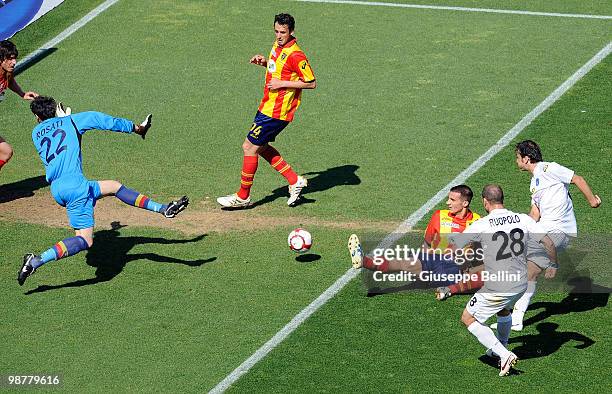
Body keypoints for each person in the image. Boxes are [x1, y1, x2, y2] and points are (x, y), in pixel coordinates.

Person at [17, 96, 189, 285]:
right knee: (84, 241)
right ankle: (36, 261)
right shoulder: (73, 121)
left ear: (36, 116)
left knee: (114, 186)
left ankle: (163, 209)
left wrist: (65, 122)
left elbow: (66, 143)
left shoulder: (36, 133)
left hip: (58, 188)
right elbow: (107, 122)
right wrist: (138, 129)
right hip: (76, 188)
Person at [489, 140, 602, 331]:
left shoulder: (549, 168)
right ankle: (511, 311)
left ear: (526, 158)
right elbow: (535, 214)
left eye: (518, 157)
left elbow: (578, 179)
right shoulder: (534, 183)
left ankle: (514, 317)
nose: (516, 161)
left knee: (530, 270)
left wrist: (592, 201)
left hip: (558, 230)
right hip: (544, 228)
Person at [451, 185, 557, 376]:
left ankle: (504, 354)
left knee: (468, 318)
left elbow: (456, 245)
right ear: (502, 199)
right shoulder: (522, 218)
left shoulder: (482, 224)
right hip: (520, 283)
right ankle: (500, 347)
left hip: (498, 285)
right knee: (504, 309)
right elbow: (548, 242)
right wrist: (553, 265)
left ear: (485, 201)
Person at [217, 13, 316, 208]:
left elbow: (311, 82)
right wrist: (263, 63)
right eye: (276, 31)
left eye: (283, 32)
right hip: (267, 106)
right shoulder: (278, 46)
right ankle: (294, 180)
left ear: (292, 32)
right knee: (259, 147)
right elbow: (278, 69)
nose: (279, 35)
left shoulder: (296, 54)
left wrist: (281, 83)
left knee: (249, 147)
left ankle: (243, 196)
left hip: (277, 112)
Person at [348, 185, 481, 286]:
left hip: (457, 269)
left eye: (452, 200)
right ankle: (363, 261)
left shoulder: (477, 222)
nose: (448, 202)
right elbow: (427, 243)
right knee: (406, 263)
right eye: (448, 198)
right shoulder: (440, 216)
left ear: (464, 203)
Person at [0, 40, 39, 174]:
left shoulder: (6, 72)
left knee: (6, 152)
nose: (14, 62)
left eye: (14, 58)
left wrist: (22, 94)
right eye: (9, 59)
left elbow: (9, 80)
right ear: (1, 60)